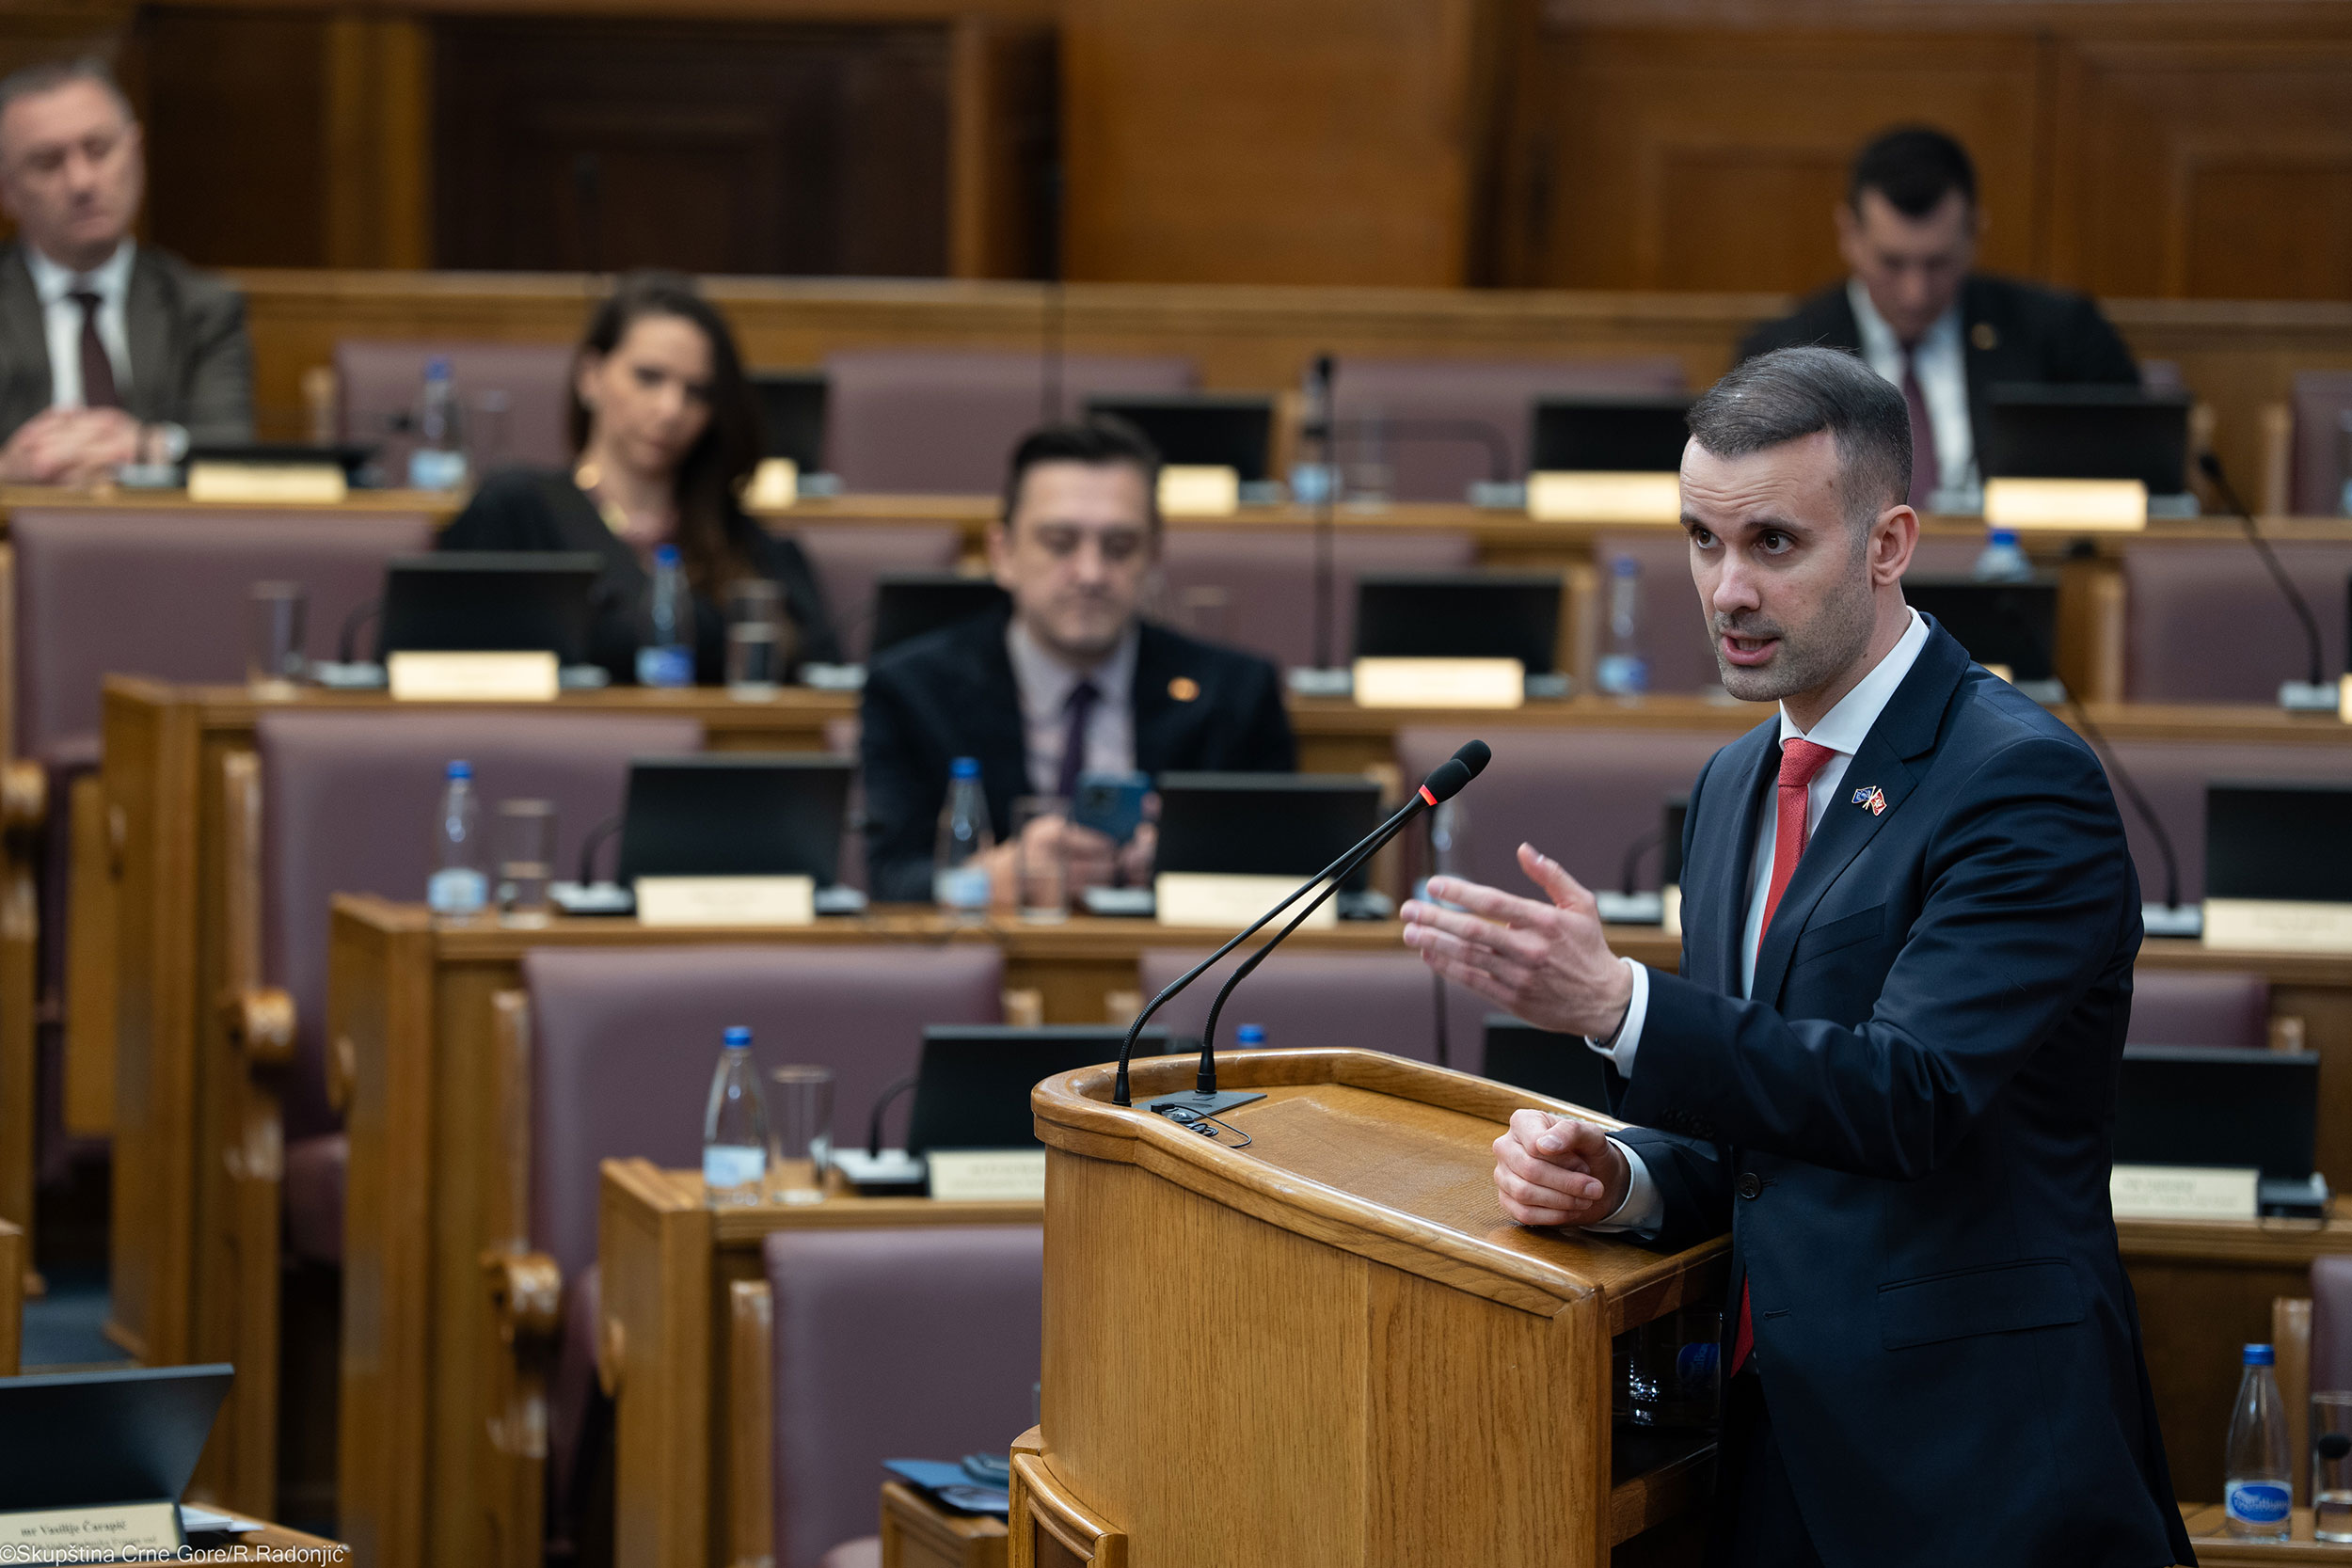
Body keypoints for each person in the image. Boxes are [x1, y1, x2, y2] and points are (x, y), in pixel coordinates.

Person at [1401, 348, 2190, 1568]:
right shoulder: (1734, 783)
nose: (1724, 589)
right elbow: (1766, 1138)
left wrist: (1622, 1006)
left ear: (1888, 544)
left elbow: (1908, 1096)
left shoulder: (2019, 780)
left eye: (1772, 542)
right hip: (1767, 1455)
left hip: (1972, 1467)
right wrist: (1627, 1177)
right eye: (1701, 542)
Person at [860, 419, 1295, 905]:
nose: (1090, 574)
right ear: (1002, 553)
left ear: (1154, 557)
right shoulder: (912, 691)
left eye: (1119, 547)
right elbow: (887, 881)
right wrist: (985, 881)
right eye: (1060, 543)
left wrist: (1186, 866)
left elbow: (1286, 879)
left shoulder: (1234, 693)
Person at [440, 271, 837, 684]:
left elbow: (819, 668)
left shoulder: (736, 537)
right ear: (590, 376)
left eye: (697, 392)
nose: (671, 409)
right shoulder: (518, 510)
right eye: (649, 377)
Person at [1738, 126, 2138, 511]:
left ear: (1974, 234)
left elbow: (2136, 473)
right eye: (1892, 263)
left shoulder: (2061, 335)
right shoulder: (1782, 354)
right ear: (1850, 235)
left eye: (1937, 263)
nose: (1916, 293)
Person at [0, 56, 252, 484]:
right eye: (47, 162)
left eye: (98, 150)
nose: (81, 182)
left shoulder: (201, 308)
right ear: (6, 189)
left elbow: (234, 450)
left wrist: (144, 447)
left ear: (135, 154)